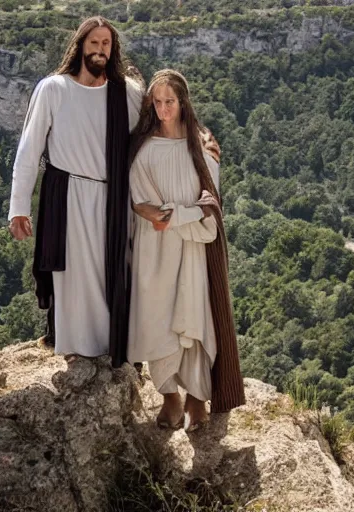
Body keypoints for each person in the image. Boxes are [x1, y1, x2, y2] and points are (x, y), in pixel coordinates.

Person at [8, 16, 143, 366]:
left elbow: (153, 134)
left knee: (107, 274)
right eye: (94, 42)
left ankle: (108, 347)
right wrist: (19, 207)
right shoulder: (54, 89)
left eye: (106, 44)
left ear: (112, 51)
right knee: (71, 278)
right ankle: (73, 348)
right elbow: (29, 149)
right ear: (81, 45)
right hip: (66, 197)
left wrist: (200, 141)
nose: (100, 49)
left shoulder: (126, 93)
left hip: (112, 200)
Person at [127, 69, 245, 431]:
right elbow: (136, 196)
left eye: (170, 102)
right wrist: (142, 209)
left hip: (192, 246)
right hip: (154, 246)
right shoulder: (142, 147)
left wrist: (175, 214)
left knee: (193, 319)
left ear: (183, 103)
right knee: (157, 318)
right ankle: (170, 398)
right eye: (157, 102)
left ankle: (197, 399)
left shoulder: (201, 147)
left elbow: (210, 203)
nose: (163, 109)